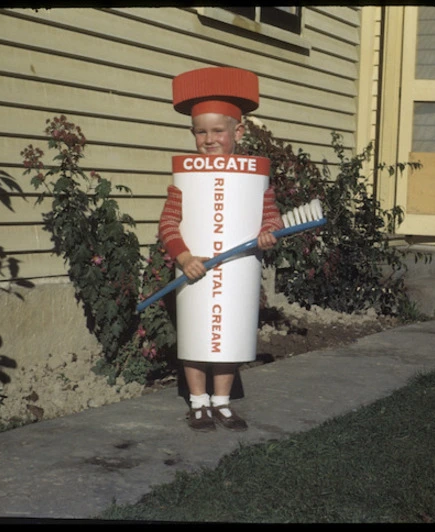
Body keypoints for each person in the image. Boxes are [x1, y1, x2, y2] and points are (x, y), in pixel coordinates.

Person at [159, 67, 284, 432]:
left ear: (238, 131)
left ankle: (222, 403)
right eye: (201, 132)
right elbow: (168, 224)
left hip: (236, 271)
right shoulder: (185, 178)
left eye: (218, 131)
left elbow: (270, 217)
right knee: (198, 333)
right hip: (194, 270)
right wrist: (184, 257)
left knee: (228, 331)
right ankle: (198, 403)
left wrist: (268, 233)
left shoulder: (254, 177)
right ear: (192, 133)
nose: (209, 139)